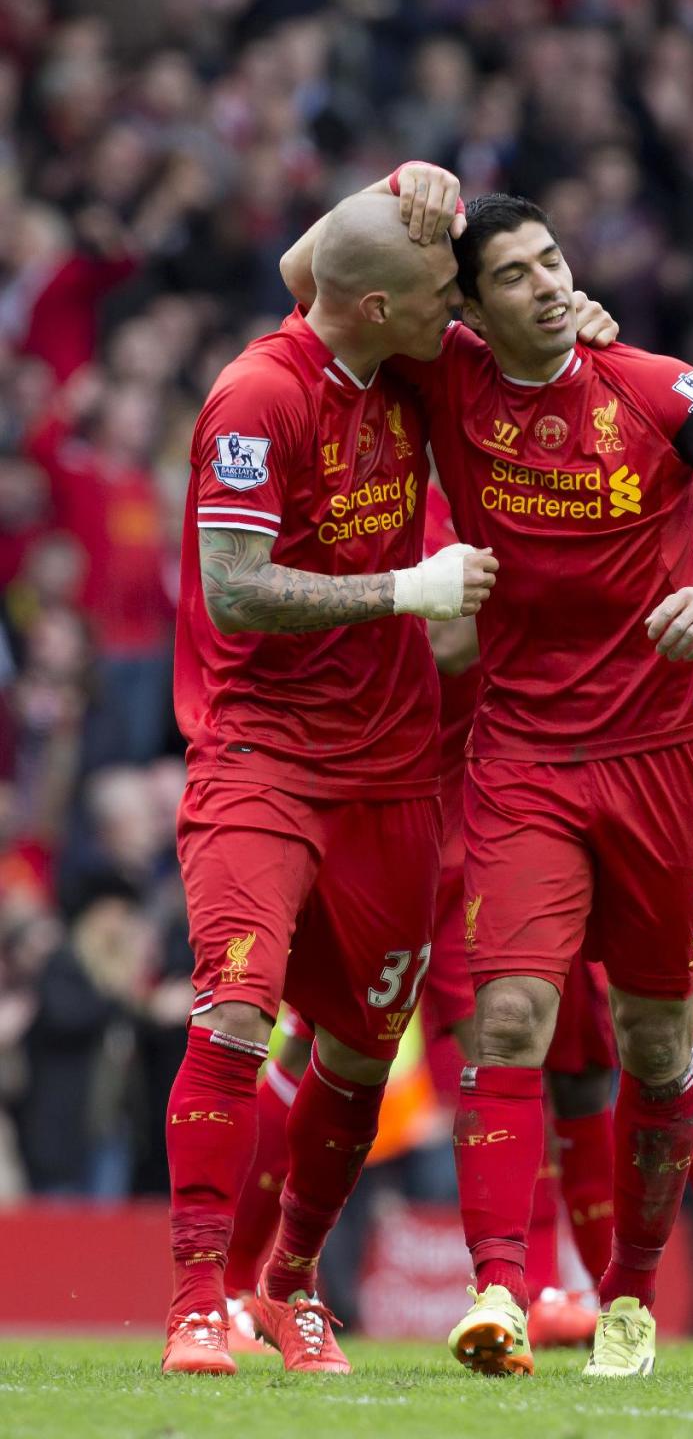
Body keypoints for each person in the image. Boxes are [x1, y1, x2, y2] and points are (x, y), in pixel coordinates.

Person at [282, 163, 693, 1377]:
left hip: (666, 753)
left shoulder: (656, 385)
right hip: (523, 758)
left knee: (652, 1040)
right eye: (514, 274)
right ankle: (500, 1292)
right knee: (511, 1019)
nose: (546, 286)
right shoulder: (446, 377)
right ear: (462, 309)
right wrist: (395, 186)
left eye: (554, 266)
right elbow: (309, 277)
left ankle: (638, 1288)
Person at [162, 187, 500, 1377]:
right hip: (262, 751)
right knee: (237, 1010)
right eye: (437, 301)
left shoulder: (398, 360)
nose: (455, 318)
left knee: (360, 1051)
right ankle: (197, 1300)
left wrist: (397, 179)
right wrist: (406, 590)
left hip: (394, 767)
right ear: (372, 308)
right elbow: (240, 587)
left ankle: (290, 1284)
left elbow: (336, 252)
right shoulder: (258, 397)